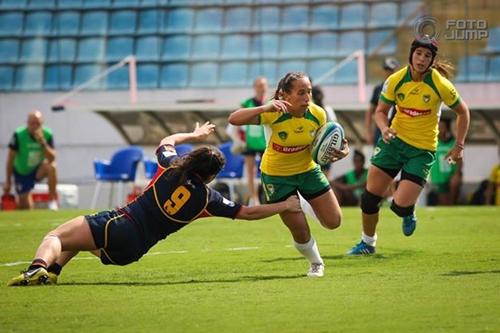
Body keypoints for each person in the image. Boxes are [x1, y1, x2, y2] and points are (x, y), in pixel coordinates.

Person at [7, 122, 301, 286]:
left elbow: (167, 139)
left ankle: (36, 269)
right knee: (79, 237)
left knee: (56, 235)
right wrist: (285, 206)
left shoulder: (170, 165)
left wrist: (195, 134)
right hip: (133, 250)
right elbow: (248, 212)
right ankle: (53, 273)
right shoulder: (208, 199)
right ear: (210, 176)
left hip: (121, 225)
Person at [348, 35, 471, 255]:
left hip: (422, 150)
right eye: (418, 54)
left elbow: (463, 112)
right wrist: (384, 129)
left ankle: (408, 211)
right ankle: (367, 243)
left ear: (432, 61)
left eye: (427, 56)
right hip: (394, 143)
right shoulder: (395, 80)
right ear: (411, 55)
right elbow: (379, 112)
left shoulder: (440, 84)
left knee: (399, 205)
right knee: (369, 199)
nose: (422, 59)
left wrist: (459, 145)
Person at [228, 72, 349, 277]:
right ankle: (316, 263)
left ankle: (303, 202)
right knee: (300, 231)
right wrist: (266, 106)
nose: (307, 97)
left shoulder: (318, 114)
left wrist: (342, 152)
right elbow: (234, 119)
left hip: (308, 170)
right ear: (285, 95)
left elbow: (332, 143)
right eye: (301, 92)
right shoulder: (274, 112)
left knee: (333, 222)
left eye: (309, 91)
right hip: (277, 176)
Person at [3, 110, 58, 210]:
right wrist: (8, 181)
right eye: (32, 123)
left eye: (38, 123)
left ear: (42, 123)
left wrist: (43, 143)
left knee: (52, 166)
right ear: (27, 123)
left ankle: (52, 200)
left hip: (37, 170)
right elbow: (10, 159)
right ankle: (19, 201)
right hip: (22, 172)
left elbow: (52, 157)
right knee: (26, 207)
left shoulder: (47, 134)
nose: (35, 126)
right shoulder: (19, 135)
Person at [364, 57, 400, 146]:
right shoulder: (378, 89)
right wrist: (368, 132)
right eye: (387, 69)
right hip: (380, 129)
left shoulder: (401, 89)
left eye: (391, 69)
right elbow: (370, 111)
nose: (389, 72)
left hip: (398, 130)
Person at [428, 118, 463, 205]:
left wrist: (456, 172)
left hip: (451, 175)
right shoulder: (432, 142)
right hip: (438, 176)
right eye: (438, 127)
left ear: (447, 129)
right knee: (443, 201)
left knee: (452, 199)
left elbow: (457, 160)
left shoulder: (453, 142)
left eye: (442, 127)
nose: (439, 129)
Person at [311, 85, 337, 178]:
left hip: (313, 148)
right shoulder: (327, 109)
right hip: (327, 147)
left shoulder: (311, 111)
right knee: (325, 178)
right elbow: (335, 128)